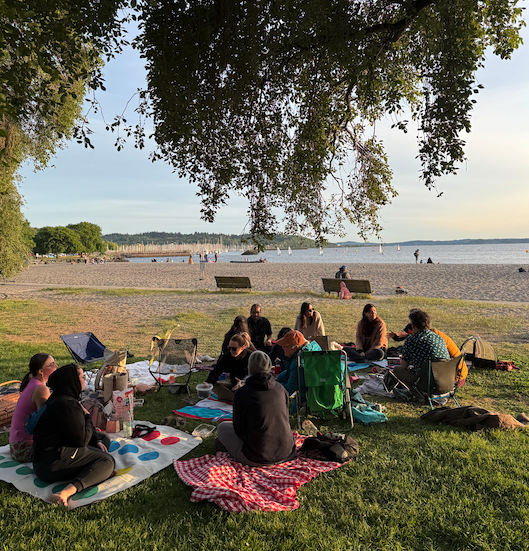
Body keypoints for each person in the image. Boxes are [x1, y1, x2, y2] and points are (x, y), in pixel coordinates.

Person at [33, 364, 115, 507]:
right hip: (52, 464)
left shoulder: (58, 398)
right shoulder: (67, 405)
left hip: (50, 455)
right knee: (107, 461)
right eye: (82, 377)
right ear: (73, 381)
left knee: (102, 439)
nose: (84, 380)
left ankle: (94, 468)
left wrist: (96, 441)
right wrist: (88, 417)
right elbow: (81, 440)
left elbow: (77, 433)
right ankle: (65, 493)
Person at [217, 351, 296, 466]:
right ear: (269, 367)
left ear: (249, 367)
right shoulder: (281, 389)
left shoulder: (242, 393)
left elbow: (239, 430)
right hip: (287, 452)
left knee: (222, 427)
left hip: (257, 457)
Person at [9, 354, 57, 462]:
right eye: (52, 365)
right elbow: (46, 421)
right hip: (23, 448)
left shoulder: (33, 383)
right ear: (41, 371)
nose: (56, 367)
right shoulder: (41, 389)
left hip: (16, 444)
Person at [392, 310, 450, 387]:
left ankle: (418, 395)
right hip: (446, 382)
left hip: (427, 383)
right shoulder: (438, 337)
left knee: (397, 370)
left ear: (413, 325)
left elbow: (403, 366)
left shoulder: (411, 339)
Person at [206, 333, 253, 401]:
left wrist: (243, 383)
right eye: (229, 348)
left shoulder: (251, 357)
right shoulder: (228, 356)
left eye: (234, 349)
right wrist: (208, 383)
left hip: (247, 386)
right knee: (214, 385)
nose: (231, 351)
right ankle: (235, 398)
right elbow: (217, 371)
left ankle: (235, 398)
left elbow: (257, 377)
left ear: (242, 348)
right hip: (234, 385)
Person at [276, 330, 307, 396]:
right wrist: (278, 378)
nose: (282, 347)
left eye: (285, 346)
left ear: (295, 347)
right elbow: (289, 372)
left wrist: (274, 386)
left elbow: (288, 390)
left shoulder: (298, 363)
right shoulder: (301, 355)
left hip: (306, 398)